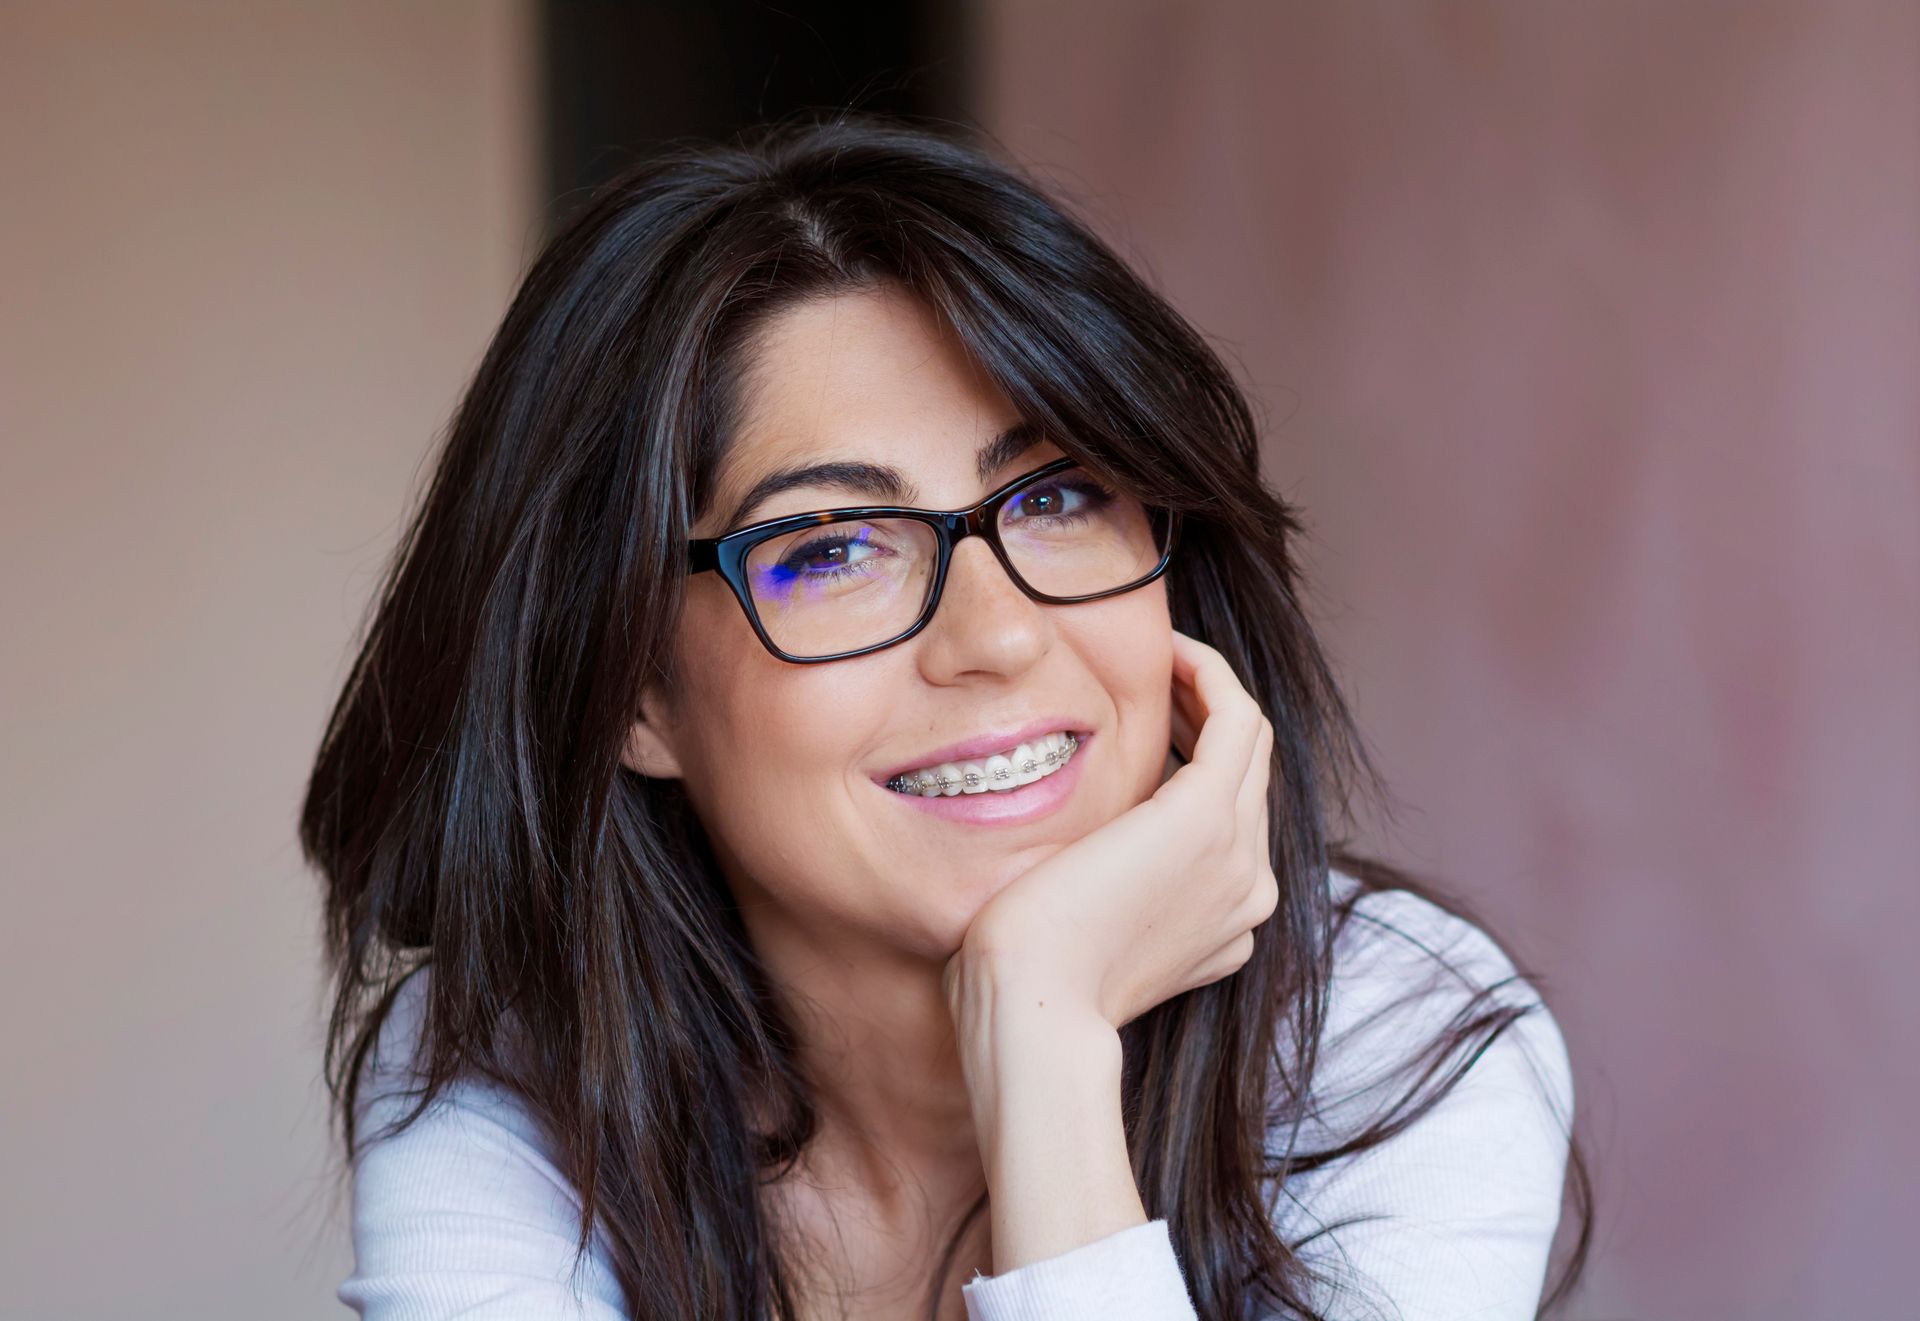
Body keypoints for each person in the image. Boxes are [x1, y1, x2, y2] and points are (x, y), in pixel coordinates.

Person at [300, 111, 1593, 1321]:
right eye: (831, 548)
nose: (999, 634)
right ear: (632, 690)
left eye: (1058, 498)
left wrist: (1043, 1041)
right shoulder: (525, 1055)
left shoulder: (1387, 1037)